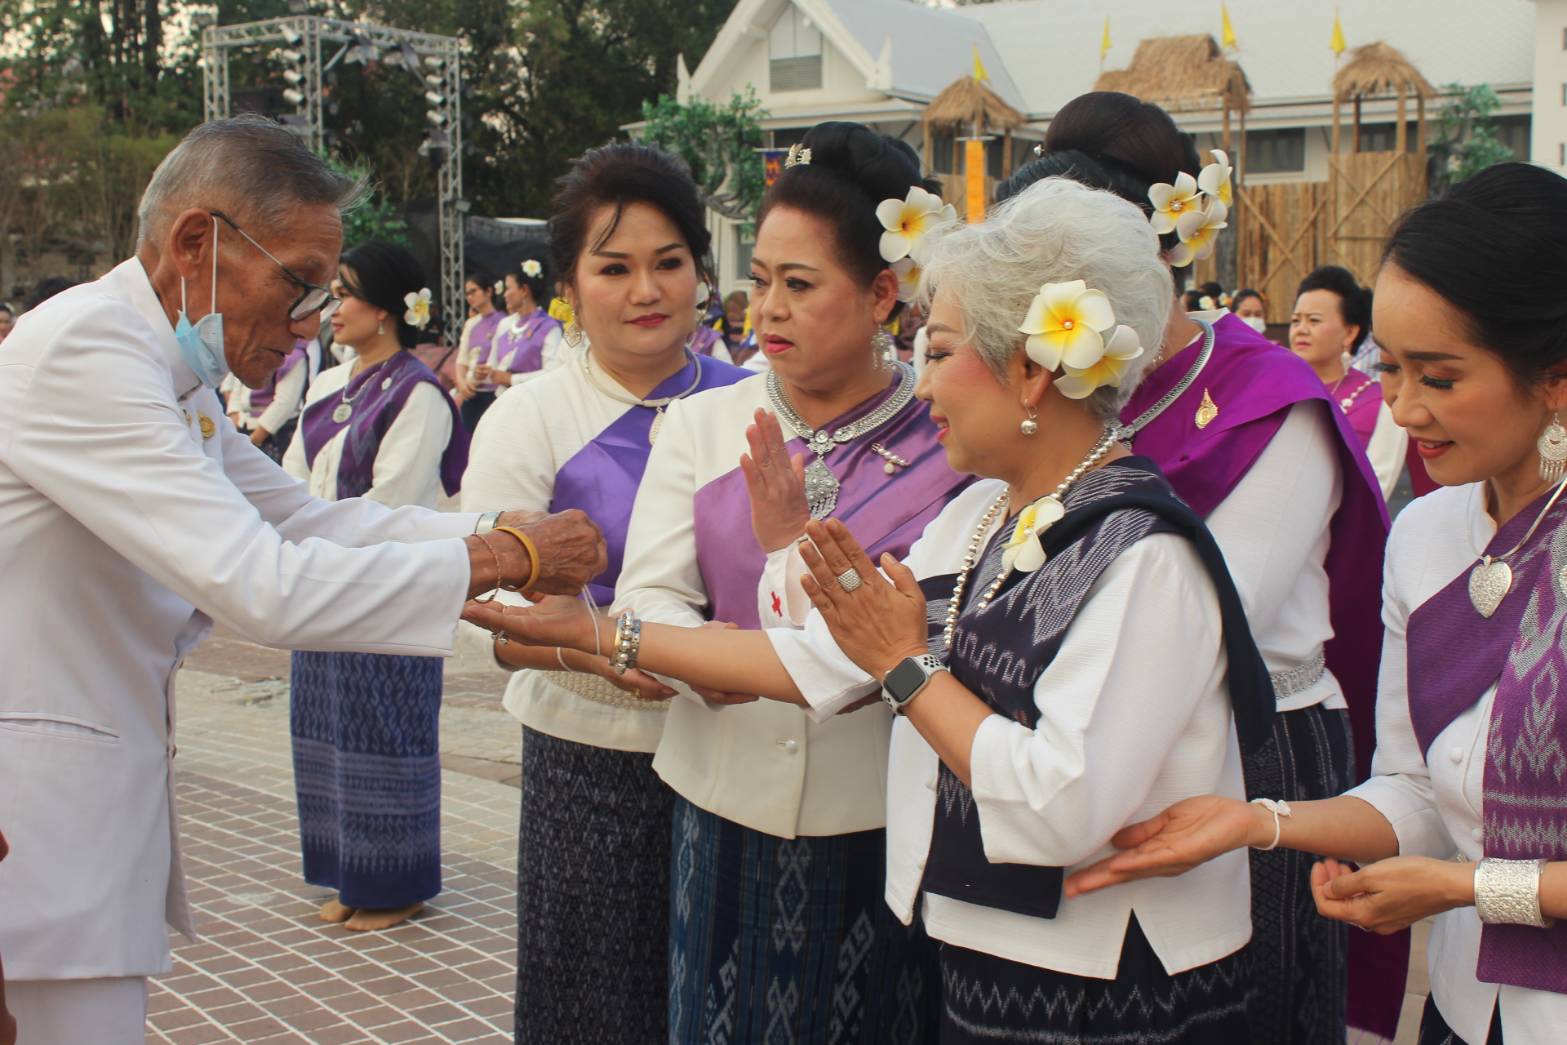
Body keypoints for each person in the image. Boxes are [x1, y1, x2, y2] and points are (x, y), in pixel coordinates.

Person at [468, 175, 1276, 1043]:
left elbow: (1059, 805)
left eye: (937, 352)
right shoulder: (982, 516)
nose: (922, 390)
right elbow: (819, 654)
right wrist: (597, 631)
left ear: (1031, 372)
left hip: (1103, 971)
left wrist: (905, 669)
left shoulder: (1140, 554)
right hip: (984, 942)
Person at [0, 115, 605, 1043]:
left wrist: (494, 528)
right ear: (197, 241)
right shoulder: (90, 351)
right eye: (299, 284)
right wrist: (506, 559)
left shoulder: (168, 370)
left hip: (78, 828)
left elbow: (308, 516)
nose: (311, 324)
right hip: (35, 832)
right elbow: (264, 583)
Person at [1063, 162, 1567, 1045]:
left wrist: (1463, 885)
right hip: (1464, 1005)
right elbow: (1416, 786)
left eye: (1440, 378)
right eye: (1393, 368)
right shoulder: (1427, 536)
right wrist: (1256, 821)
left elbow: (1454, 859)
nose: (1403, 407)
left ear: (1555, 378)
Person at [995, 91, 1396, 1044]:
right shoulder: (1059, 395)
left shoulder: (1271, 402)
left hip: (1253, 755)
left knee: (1243, 1003)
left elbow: (1221, 622)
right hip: (1080, 741)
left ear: (1151, 253)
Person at [607, 121, 970, 1043]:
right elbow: (646, 596)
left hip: (873, 816)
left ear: (883, 293)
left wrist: (759, 611)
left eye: (799, 286)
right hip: (717, 796)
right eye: (760, 279)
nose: (765, 307)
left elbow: (923, 636)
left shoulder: (951, 446)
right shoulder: (701, 423)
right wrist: (695, 660)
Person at [460, 143, 750, 1044]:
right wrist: (603, 656)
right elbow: (488, 615)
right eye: (614, 267)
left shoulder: (758, 403)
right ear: (570, 285)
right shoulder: (532, 414)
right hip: (589, 756)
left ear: (702, 274)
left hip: (732, 747)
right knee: (591, 1003)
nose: (646, 290)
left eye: (669, 264)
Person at [279, 240, 466, 932]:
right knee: (325, 725)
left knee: (385, 731)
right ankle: (350, 872)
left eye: (345, 294)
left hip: (384, 588)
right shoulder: (329, 384)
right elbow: (291, 480)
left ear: (385, 309)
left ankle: (396, 882)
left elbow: (395, 502)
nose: (331, 309)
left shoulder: (419, 394)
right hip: (324, 583)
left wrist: (320, 542)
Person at [1292, 265, 1409, 499]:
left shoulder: (1380, 403)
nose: (1301, 330)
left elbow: (1375, 489)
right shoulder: (1273, 391)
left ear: (1350, 333)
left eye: (1314, 321)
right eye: (1296, 321)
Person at [476, 256, 563, 393]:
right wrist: (483, 373)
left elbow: (553, 373)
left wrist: (512, 379)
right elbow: (494, 368)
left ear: (524, 290)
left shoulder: (549, 327)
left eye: (508, 288)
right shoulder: (505, 324)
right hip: (503, 402)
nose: (504, 295)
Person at [238, 338, 309, 463]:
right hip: (242, 427)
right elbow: (235, 385)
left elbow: (285, 402)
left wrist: (255, 439)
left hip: (272, 433)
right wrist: (234, 420)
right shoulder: (250, 347)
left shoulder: (293, 356)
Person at [452, 271, 506, 431]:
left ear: (488, 291)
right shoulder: (471, 324)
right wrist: (462, 384)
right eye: (467, 293)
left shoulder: (504, 322)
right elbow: (462, 360)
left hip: (494, 394)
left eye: (473, 291)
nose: (469, 297)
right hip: (471, 393)